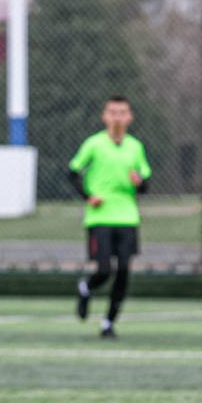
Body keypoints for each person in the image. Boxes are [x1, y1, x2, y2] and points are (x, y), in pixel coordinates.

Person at [68, 96, 152, 339]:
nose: (117, 117)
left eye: (122, 112)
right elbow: (72, 172)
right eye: (113, 112)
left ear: (130, 117)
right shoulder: (94, 144)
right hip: (100, 218)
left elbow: (145, 183)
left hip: (127, 217)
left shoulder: (135, 147)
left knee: (123, 270)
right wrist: (88, 196)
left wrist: (139, 182)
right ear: (105, 117)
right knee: (104, 269)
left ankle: (108, 322)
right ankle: (86, 287)